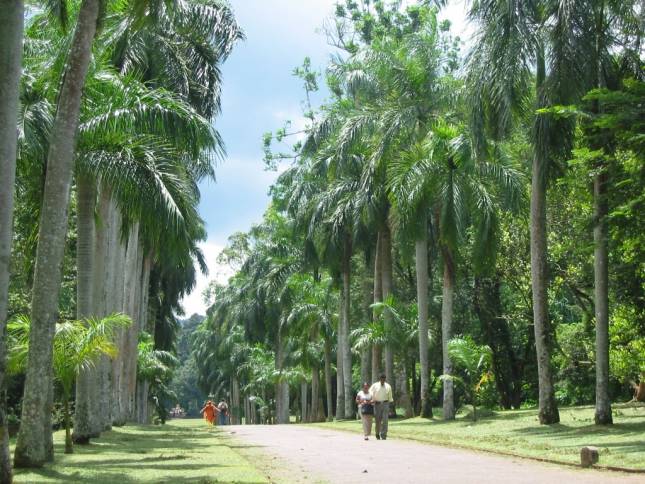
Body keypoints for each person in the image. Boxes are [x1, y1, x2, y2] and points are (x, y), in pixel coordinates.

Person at [369, 373, 393, 440]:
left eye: (384, 379)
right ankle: (377, 433)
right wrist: (372, 399)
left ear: (385, 379)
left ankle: (384, 434)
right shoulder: (375, 385)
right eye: (382, 379)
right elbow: (370, 392)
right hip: (377, 404)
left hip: (385, 404)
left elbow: (390, 397)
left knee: (385, 420)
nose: (383, 380)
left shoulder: (388, 386)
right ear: (379, 379)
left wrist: (390, 407)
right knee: (378, 420)